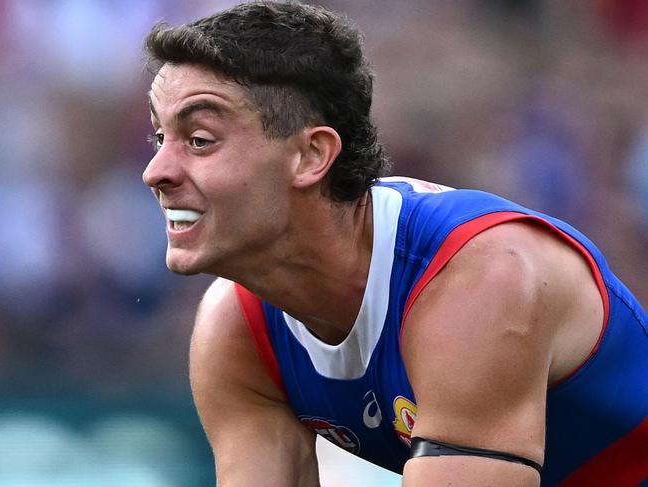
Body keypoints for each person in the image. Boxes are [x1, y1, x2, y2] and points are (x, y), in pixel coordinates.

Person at [141, 2, 648, 486]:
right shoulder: (236, 328)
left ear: (312, 155)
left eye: (200, 140)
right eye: (159, 137)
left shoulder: (481, 277)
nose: (155, 172)